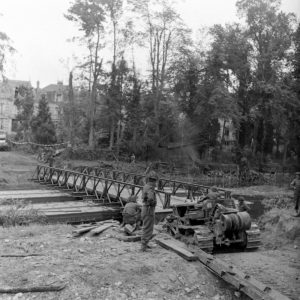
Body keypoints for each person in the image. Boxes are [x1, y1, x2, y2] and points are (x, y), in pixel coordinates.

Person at [141, 170, 158, 252]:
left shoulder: (146, 186)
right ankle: (143, 247)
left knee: (146, 227)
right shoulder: (151, 188)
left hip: (145, 208)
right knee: (148, 228)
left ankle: (145, 244)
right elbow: (150, 198)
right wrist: (153, 203)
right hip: (148, 209)